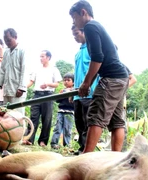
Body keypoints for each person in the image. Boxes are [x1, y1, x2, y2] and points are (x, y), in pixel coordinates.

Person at [69, 1, 129, 152]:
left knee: (96, 116)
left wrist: (86, 83)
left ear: (83, 12)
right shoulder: (97, 26)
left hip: (112, 78)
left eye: (74, 18)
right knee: (116, 122)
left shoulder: (90, 27)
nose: (74, 22)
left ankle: (86, 157)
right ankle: (115, 158)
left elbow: (97, 58)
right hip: (121, 78)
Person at [71, 25, 100, 155]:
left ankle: (88, 151)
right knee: (79, 122)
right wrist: (72, 91)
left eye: (77, 33)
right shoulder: (77, 53)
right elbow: (76, 74)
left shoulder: (92, 49)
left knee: (89, 122)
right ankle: (82, 148)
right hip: (77, 93)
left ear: (84, 32)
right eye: (73, 35)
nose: (75, 37)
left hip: (90, 92)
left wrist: (90, 85)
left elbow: (96, 68)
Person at [26, 50, 62, 147]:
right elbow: (31, 81)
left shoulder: (54, 69)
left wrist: (48, 84)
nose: (41, 58)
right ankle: (29, 139)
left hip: (48, 95)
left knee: (46, 119)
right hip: (36, 95)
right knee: (33, 117)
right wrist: (23, 87)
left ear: (48, 57)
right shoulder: (36, 69)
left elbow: (57, 84)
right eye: (40, 56)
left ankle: (43, 141)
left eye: (43, 56)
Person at [0, 28, 27, 115]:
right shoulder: (6, 52)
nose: (7, 43)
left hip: (17, 90)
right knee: (7, 115)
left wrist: (21, 88)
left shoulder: (22, 51)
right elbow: (2, 70)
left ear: (15, 37)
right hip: (7, 89)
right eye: (5, 41)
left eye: (9, 40)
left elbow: (24, 70)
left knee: (18, 115)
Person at [50, 72, 75, 149]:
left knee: (67, 129)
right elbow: (57, 100)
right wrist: (60, 95)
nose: (66, 82)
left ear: (73, 82)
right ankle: (54, 143)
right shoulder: (62, 91)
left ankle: (66, 145)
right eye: (65, 80)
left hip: (70, 112)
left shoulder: (74, 91)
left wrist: (70, 93)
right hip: (61, 111)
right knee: (57, 127)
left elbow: (74, 102)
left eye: (68, 80)